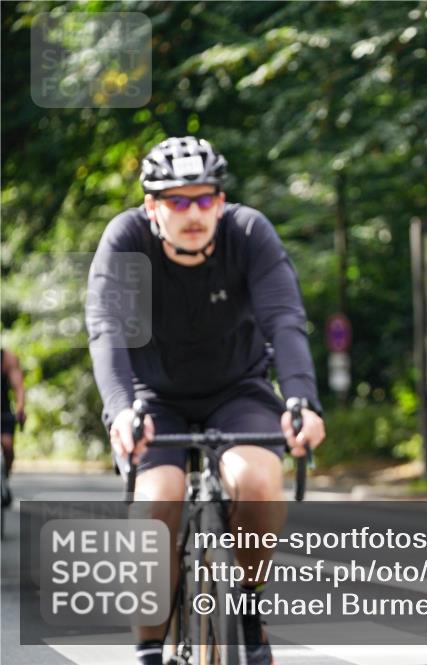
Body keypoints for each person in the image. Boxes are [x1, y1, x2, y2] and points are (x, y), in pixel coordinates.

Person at [86, 136, 325, 665]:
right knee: (156, 500)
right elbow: (107, 332)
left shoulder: (248, 232)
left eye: (203, 199)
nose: (192, 213)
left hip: (237, 388)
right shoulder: (126, 240)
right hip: (153, 396)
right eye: (176, 200)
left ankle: (245, 606)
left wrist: (303, 401)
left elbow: (284, 320)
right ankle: (150, 645)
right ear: (152, 206)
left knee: (259, 481)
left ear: (219, 200)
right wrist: (121, 409)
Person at [1, 347, 26, 506]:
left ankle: (4, 479)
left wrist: (20, 408)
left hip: (3, 413)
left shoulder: (7, 358)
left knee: (8, 446)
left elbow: (18, 387)